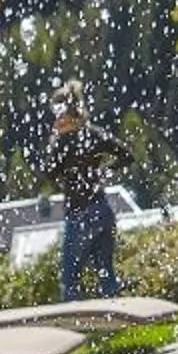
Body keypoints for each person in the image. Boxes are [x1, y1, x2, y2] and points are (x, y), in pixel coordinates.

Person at [42, 79, 125, 304]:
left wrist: (55, 141)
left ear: (63, 114)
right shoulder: (93, 134)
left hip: (80, 214)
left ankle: (76, 329)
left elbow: (48, 173)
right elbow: (125, 155)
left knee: (70, 279)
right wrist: (105, 170)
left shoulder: (63, 142)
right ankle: (118, 322)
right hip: (102, 210)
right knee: (106, 273)